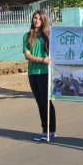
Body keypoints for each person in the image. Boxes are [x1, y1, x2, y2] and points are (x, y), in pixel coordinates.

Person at [23, 10, 56, 141]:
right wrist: (40, 59)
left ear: (43, 20)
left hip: (45, 73)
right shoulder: (27, 36)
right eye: (35, 18)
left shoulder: (47, 35)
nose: (36, 20)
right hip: (32, 73)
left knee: (46, 102)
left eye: (39, 18)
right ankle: (44, 130)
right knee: (39, 103)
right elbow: (27, 55)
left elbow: (57, 46)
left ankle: (51, 130)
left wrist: (54, 32)